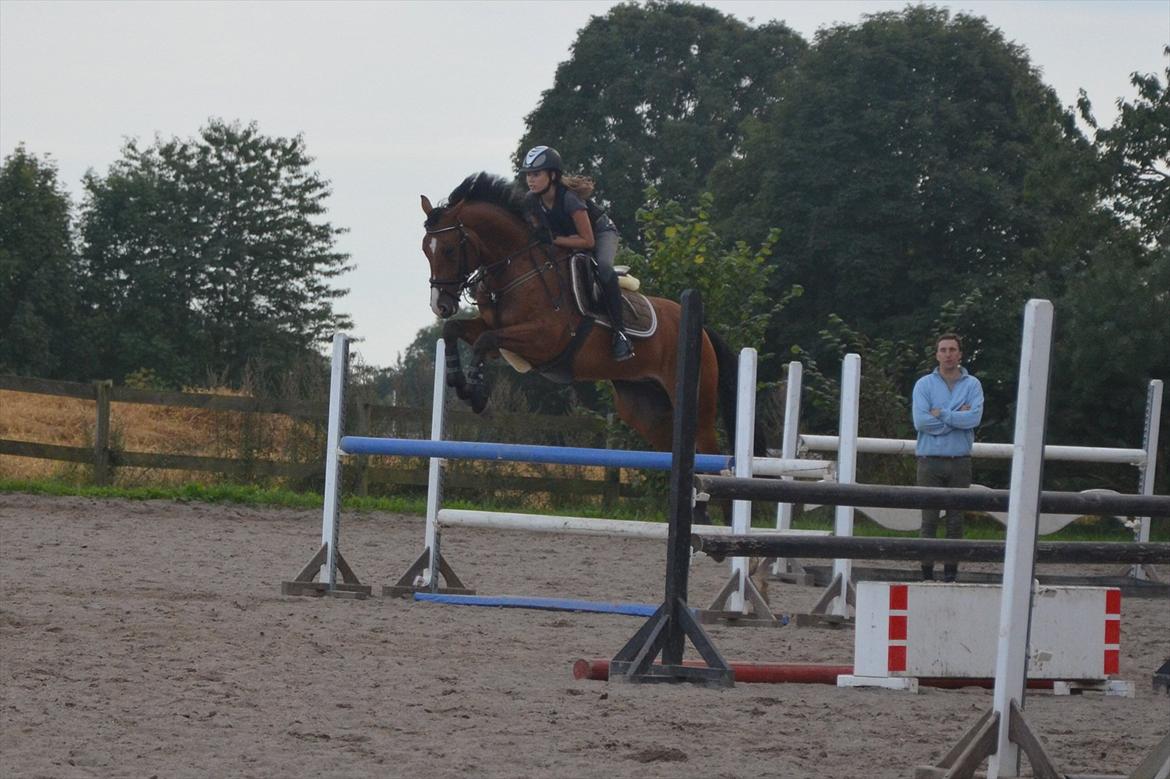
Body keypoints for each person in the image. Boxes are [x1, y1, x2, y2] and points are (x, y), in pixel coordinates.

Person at [518, 145, 634, 362]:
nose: (531, 180)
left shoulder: (570, 199)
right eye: (528, 175)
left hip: (600, 233)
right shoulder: (530, 201)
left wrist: (553, 239)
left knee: (604, 268)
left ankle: (621, 333)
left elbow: (587, 241)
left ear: (552, 175)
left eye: (536, 174)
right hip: (569, 237)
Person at [912, 333, 984, 582]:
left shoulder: (973, 385)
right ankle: (926, 572)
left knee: (956, 521)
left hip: (960, 460)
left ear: (960, 354)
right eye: (943, 350)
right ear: (936, 354)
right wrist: (956, 417)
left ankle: (951, 572)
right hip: (929, 460)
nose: (948, 354)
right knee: (929, 520)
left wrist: (942, 414)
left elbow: (974, 418)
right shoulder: (923, 385)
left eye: (952, 349)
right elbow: (921, 422)